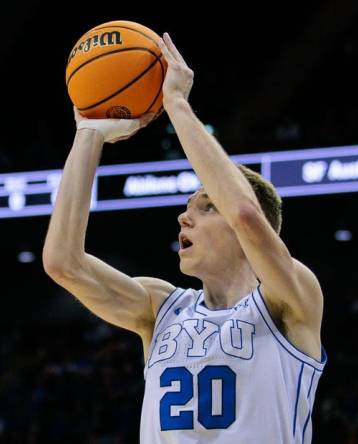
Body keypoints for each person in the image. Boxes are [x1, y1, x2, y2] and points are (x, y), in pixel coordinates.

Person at [43, 32, 327, 443]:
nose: (184, 217)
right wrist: (88, 134)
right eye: (188, 207)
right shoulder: (161, 310)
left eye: (206, 206)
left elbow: (246, 214)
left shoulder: (291, 301)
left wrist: (176, 104)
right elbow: (62, 263)